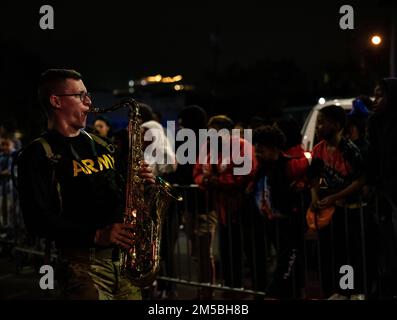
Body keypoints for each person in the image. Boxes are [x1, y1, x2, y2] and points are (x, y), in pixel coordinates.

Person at [16, 69, 155, 300]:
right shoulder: (37, 154)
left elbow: (123, 192)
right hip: (81, 267)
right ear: (56, 101)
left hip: (123, 263)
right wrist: (96, 235)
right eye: (80, 95)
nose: (89, 102)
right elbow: (36, 220)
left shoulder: (102, 143)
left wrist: (142, 185)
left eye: (88, 95)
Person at [309, 105, 365, 300]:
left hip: (353, 209)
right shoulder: (318, 149)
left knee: (349, 254)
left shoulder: (349, 149)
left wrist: (335, 196)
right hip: (332, 211)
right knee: (331, 253)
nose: (318, 127)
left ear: (337, 125)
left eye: (322, 123)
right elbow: (314, 177)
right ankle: (334, 292)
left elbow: (361, 180)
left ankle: (349, 292)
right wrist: (315, 197)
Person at [250, 125, 309, 299]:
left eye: (262, 147)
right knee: (288, 273)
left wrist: (302, 187)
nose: (257, 150)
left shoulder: (289, 165)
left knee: (285, 273)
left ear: (275, 148)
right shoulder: (261, 168)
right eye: (256, 146)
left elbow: (315, 165)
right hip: (270, 225)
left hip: (289, 227)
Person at [367, 78, 397, 299]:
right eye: (375, 95)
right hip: (385, 192)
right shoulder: (375, 122)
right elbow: (373, 156)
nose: (375, 100)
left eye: (380, 95)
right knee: (388, 245)